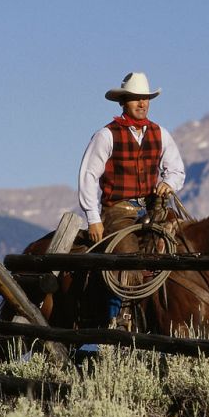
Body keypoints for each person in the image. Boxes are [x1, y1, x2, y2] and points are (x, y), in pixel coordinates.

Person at [78, 71, 185, 326]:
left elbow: (177, 169)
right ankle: (120, 315)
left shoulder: (160, 134)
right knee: (127, 254)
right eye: (136, 98)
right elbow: (88, 176)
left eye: (145, 98)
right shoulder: (106, 135)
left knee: (182, 240)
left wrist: (168, 183)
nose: (142, 103)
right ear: (123, 102)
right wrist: (93, 218)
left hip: (152, 208)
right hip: (118, 210)